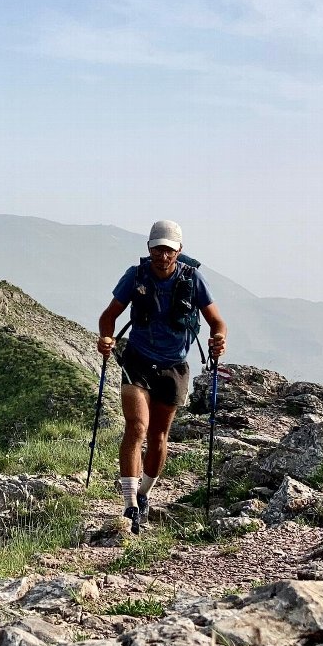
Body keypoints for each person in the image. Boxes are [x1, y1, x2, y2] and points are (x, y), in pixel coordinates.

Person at [96, 219, 227, 533]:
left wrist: (218, 339)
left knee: (157, 437)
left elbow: (216, 321)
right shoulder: (136, 276)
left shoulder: (193, 280)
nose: (162, 255)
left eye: (168, 249)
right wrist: (106, 339)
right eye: (157, 248)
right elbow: (108, 316)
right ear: (149, 249)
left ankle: (143, 494)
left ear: (179, 250)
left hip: (174, 367)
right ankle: (129, 507)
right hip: (137, 360)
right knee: (136, 428)